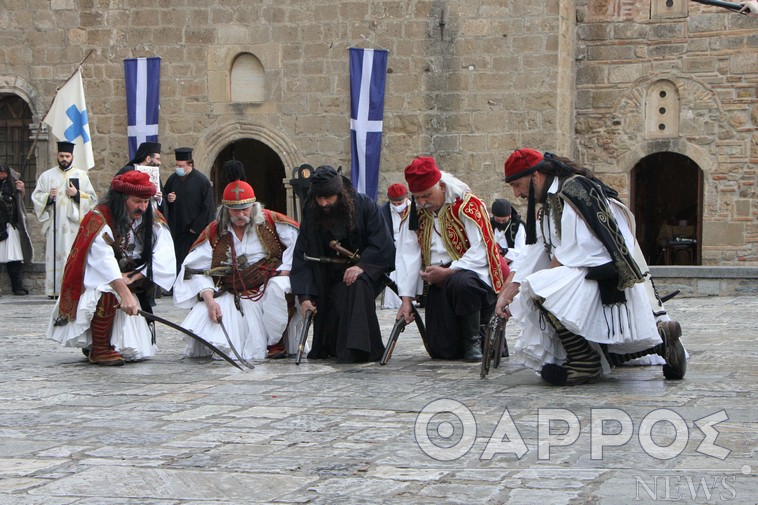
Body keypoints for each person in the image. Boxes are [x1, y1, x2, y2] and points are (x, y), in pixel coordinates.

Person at [496, 148, 686, 386]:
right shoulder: (551, 202)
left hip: (604, 277)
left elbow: (576, 250)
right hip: (584, 276)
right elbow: (535, 252)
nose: (517, 193)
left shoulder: (574, 191)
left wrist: (533, 285)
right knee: (539, 289)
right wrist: (506, 293)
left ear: (535, 177)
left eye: (517, 184)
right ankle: (662, 342)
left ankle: (583, 363)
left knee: (539, 290)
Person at [47, 170, 176, 366]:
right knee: (107, 291)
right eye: (137, 201)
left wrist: (133, 278)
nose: (142, 207)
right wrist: (124, 292)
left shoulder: (152, 217)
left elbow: (164, 256)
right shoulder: (99, 218)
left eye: (146, 201)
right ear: (121, 199)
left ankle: (113, 342)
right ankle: (100, 347)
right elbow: (103, 262)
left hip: (132, 278)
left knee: (137, 354)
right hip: (97, 280)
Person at [173, 180, 301, 362]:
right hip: (232, 293)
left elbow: (299, 243)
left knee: (277, 287)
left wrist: (286, 269)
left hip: (266, 288)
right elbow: (194, 270)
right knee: (205, 316)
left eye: (245, 209)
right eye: (234, 210)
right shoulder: (214, 232)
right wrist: (209, 301)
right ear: (225, 209)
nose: (240, 214)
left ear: (254, 206)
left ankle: (275, 341)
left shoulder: (271, 221)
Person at [395, 156, 505, 362]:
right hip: (437, 281)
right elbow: (406, 256)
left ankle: (475, 342)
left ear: (442, 186)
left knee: (461, 283)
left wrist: (451, 270)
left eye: (426, 195)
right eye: (417, 197)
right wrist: (406, 300)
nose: (422, 202)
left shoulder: (467, 205)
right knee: (441, 351)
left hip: (472, 278)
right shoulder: (414, 213)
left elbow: (482, 249)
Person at [290, 165, 395, 363]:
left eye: (327, 197)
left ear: (339, 193)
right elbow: (302, 255)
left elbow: (382, 245)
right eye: (318, 198)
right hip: (326, 275)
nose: (323, 203)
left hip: (365, 272)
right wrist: (304, 296)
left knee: (355, 287)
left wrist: (361, 266)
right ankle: (336, 348)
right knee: (330, 297)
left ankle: (359, 350)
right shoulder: (312, 211)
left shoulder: (364, 205)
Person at [31, 141, 98, 298]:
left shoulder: (81, 176)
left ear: (72, 157)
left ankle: (71, 289)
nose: (64, 159)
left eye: (67, 156)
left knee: (71, 255)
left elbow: (93, 199)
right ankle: (54, 290)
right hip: (54, 225)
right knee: (54, 254)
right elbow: (36, 196)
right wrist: (49, 197)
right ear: (57, 156)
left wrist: (77, 194)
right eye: (61, 156)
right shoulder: (46, 176)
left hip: (73, 225)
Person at [161, 147, 215, 274]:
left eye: (181, 165)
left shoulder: (202, 181)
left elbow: (207, 207)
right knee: (176, 259)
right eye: (177, 165)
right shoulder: (173, 179)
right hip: (176, 228)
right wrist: (168, 199)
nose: (178, 168)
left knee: (191, 261)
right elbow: (164, 197)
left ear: (190, 165)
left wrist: (196, 226)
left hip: (193, 230)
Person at [0, 164, 33, 295]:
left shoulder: (13, 183)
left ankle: (17, 286)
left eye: (4, 173)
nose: (2, 176)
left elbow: (19, 200)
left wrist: (22, 190)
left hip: (10, 224)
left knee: (14, 258)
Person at [378, 183, 412, 309]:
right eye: (394, 203)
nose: (397, 206)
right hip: (393, 250)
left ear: (406, 197)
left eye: (400, 203)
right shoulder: (383, 212)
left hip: (411, 249)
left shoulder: (416, 209)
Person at [490, 198, 525, 264]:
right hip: (493, 261)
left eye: (504, 220)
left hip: (514, 262)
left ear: (510, 216)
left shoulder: (518, 226)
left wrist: (503, 261)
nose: (501, 223)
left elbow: (520, 250)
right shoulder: (489, 224)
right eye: (498, 220)